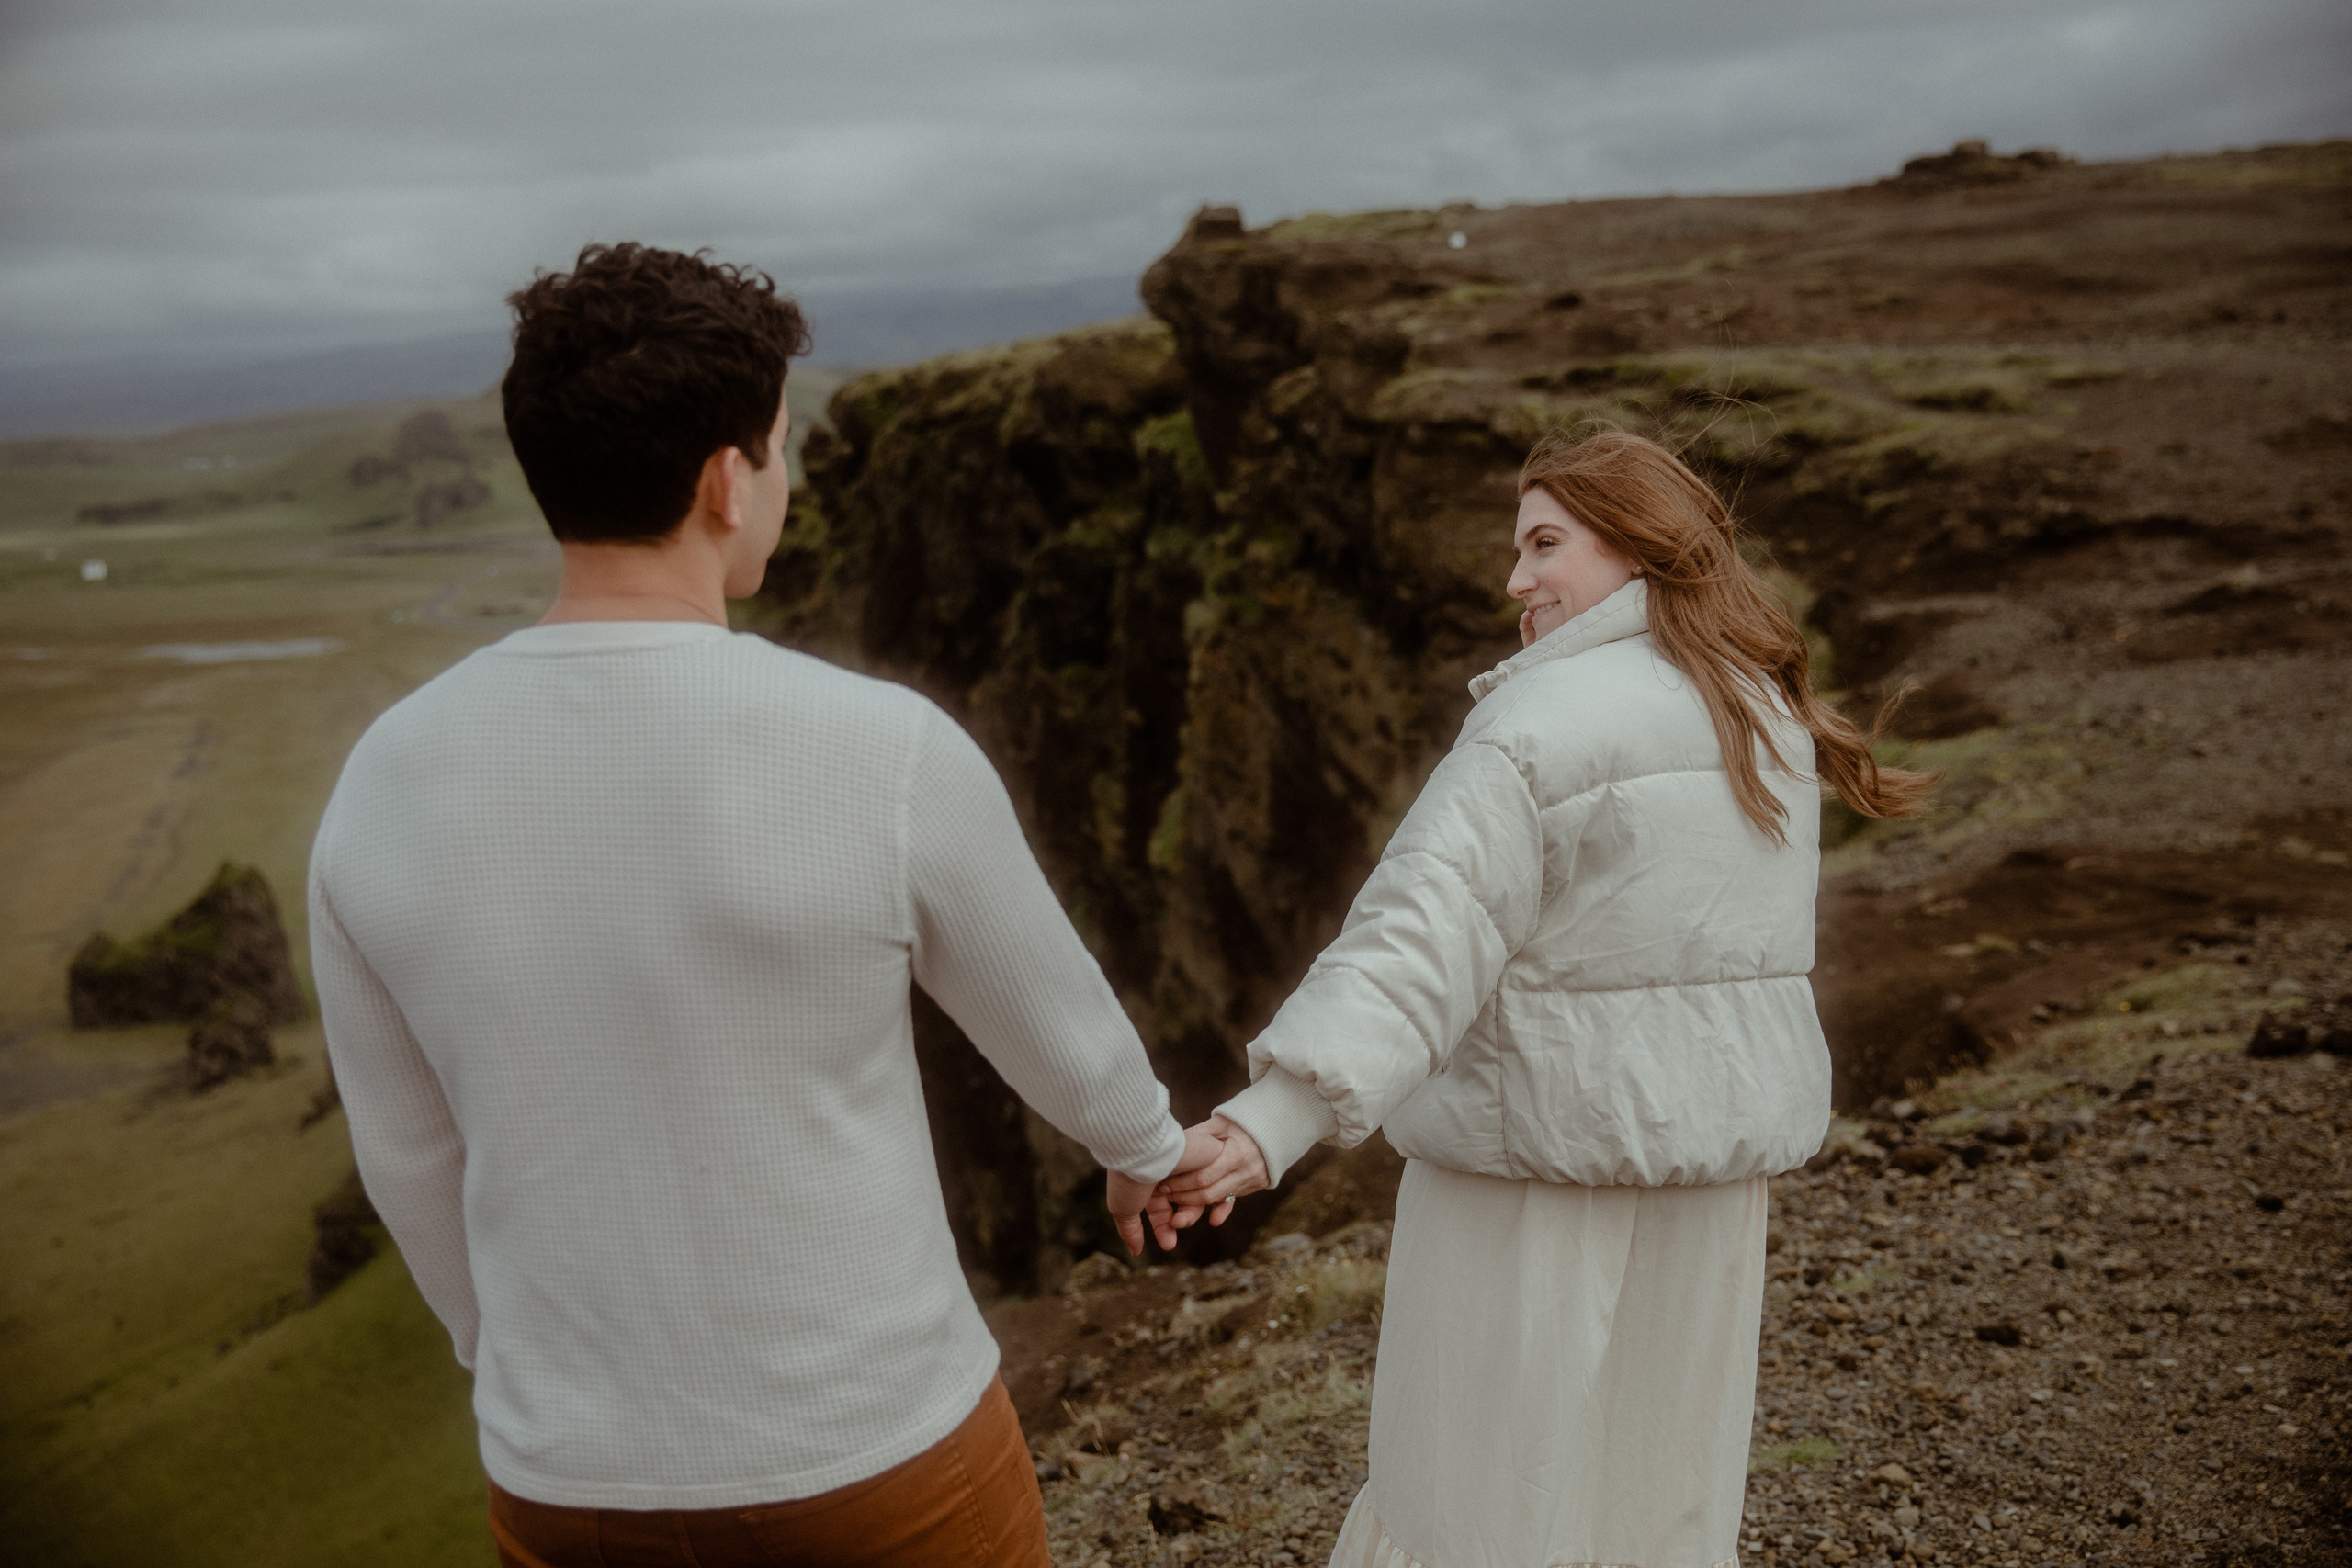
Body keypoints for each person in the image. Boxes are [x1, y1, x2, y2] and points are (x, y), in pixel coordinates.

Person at [309, 243, 1215, 1568]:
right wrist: (1143, 1145)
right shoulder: (879, 746)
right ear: (726, 481)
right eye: (781, 448)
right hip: (882, 1455)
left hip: (568, 1481)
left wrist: (522, 1369)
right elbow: (1059, 1026)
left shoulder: (380, 778)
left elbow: (410, 1156)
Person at [1159, 428, 1931, 1568]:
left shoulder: (1535, 723)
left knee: (1468, 1512)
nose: (1514, 580)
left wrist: (1268, 1123)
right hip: (1705, 1192)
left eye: (1543, 543)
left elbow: (1423, 935)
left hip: (1523, 1186)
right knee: (1661, 1512)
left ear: (1641, 545)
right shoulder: (1764, 722)